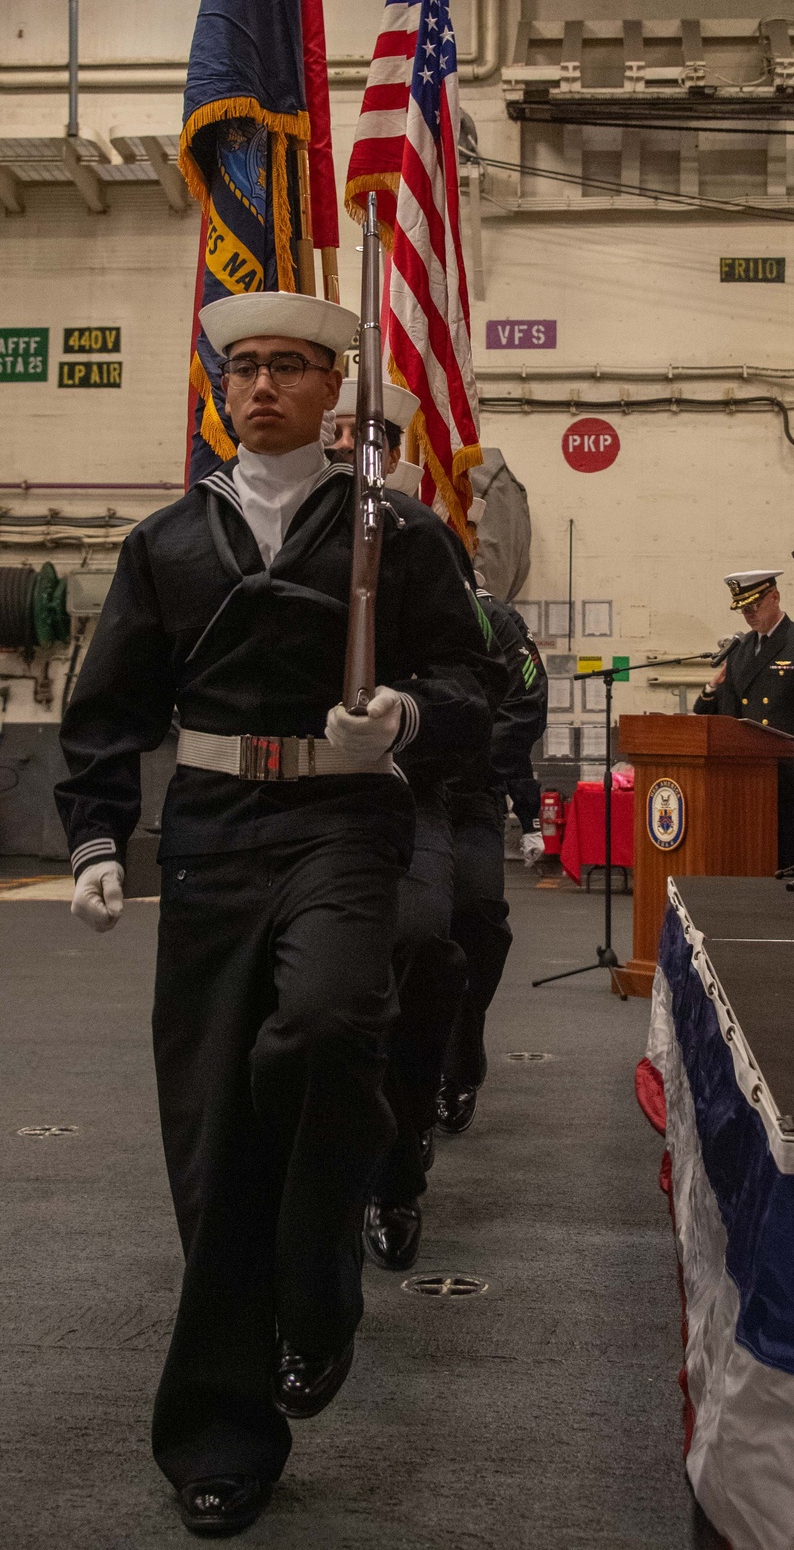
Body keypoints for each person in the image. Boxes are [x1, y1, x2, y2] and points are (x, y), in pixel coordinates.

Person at [55, 290, 503, 1541]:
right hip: (209, 829)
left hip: (343, 820)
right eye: (242, 367)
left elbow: (475, 680)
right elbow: (108, 708)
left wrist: (408, 715)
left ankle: (318, 1283)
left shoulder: (397, 533)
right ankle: (222, 1428)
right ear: (221, 388)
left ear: (330, 388)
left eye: (289, 367)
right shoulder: (165, 542)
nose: (260, 386)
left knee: (317, 1028)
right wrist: (96, 831)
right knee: (211, 1139)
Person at [327, 376, 473, 1272]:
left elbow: (468, 691)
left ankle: (396, 1168)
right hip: (300, 803)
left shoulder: (420, 545)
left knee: (421, 946)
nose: (348, 447)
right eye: (340, 431)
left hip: (409, 791)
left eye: (364, 432)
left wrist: (405, 720)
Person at [437, 530, 548, 1136]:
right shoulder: (399, 615)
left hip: (472, 796)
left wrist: (468, 757)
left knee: (479, 920)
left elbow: (527, 703)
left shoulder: (497, 623)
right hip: (399, 796)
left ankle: (462, 1053)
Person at [693, 569, 794, 875]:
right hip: (749, 780)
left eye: (754, 607)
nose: (748, 615)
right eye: (743, 609)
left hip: (791, 781)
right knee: (753, 865)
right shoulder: (740, 649)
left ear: (775, 597)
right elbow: (727, 715)